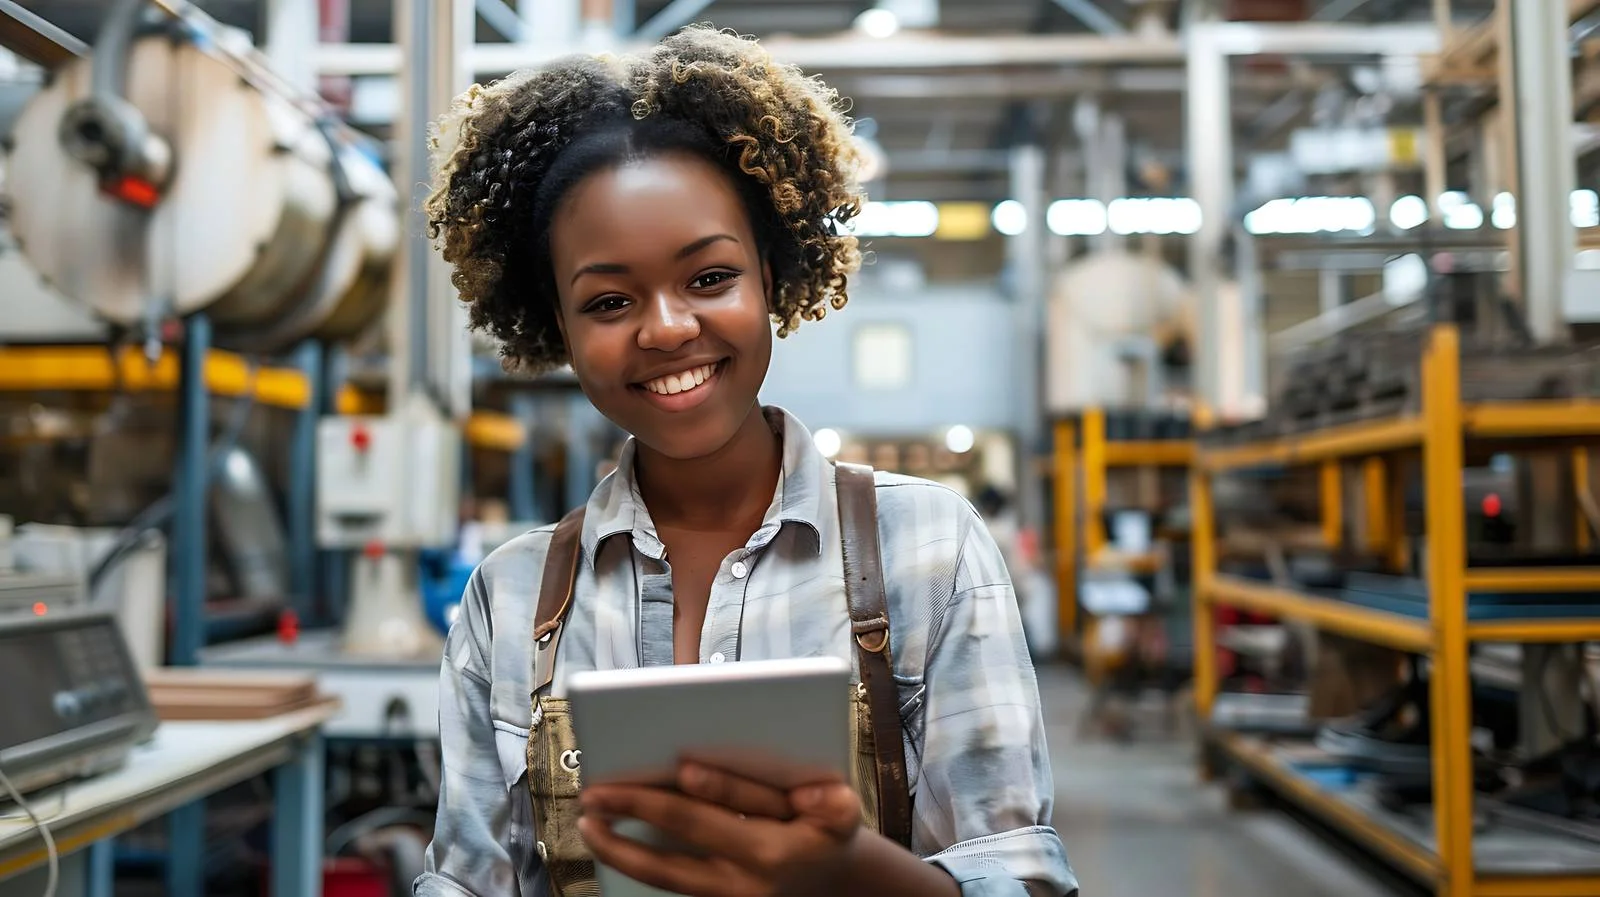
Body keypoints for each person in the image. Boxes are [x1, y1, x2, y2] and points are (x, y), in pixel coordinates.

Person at [416, 26, 1077, 897]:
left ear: (769, 274)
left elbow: (1016, 876)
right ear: (560, 327)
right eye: (608, 301)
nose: (666, 328)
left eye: (709, 278)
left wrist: (857, 874)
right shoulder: (509, 598)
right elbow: (464, 882)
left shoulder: (927, 549)